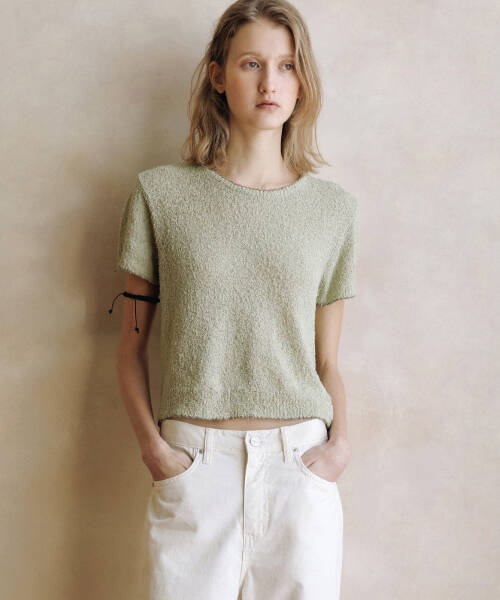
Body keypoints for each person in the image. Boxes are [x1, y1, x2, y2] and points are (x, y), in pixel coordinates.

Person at [109, 1, 359, 598]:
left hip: (300, 469)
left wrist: (340, 446)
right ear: (219, 76)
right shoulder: (160, 195)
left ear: (302, 82)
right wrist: (155, 451)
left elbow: (327, 361)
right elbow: (129, 349)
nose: (270, 82)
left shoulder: (333, 211)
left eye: (287, 66)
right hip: (194, 467)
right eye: (252, 64)